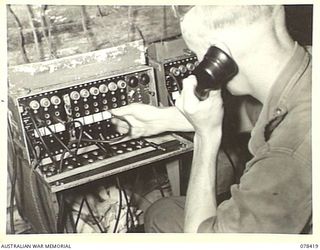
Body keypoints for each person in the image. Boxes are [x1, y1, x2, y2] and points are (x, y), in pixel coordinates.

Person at [111, 5, 312, 233]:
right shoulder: (305, 65)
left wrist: (205, 136)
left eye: (199, 57)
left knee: (164, 217)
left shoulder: (286, 158)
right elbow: (256, 114)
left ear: (219, 58)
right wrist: (162, 120)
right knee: (164, 212)